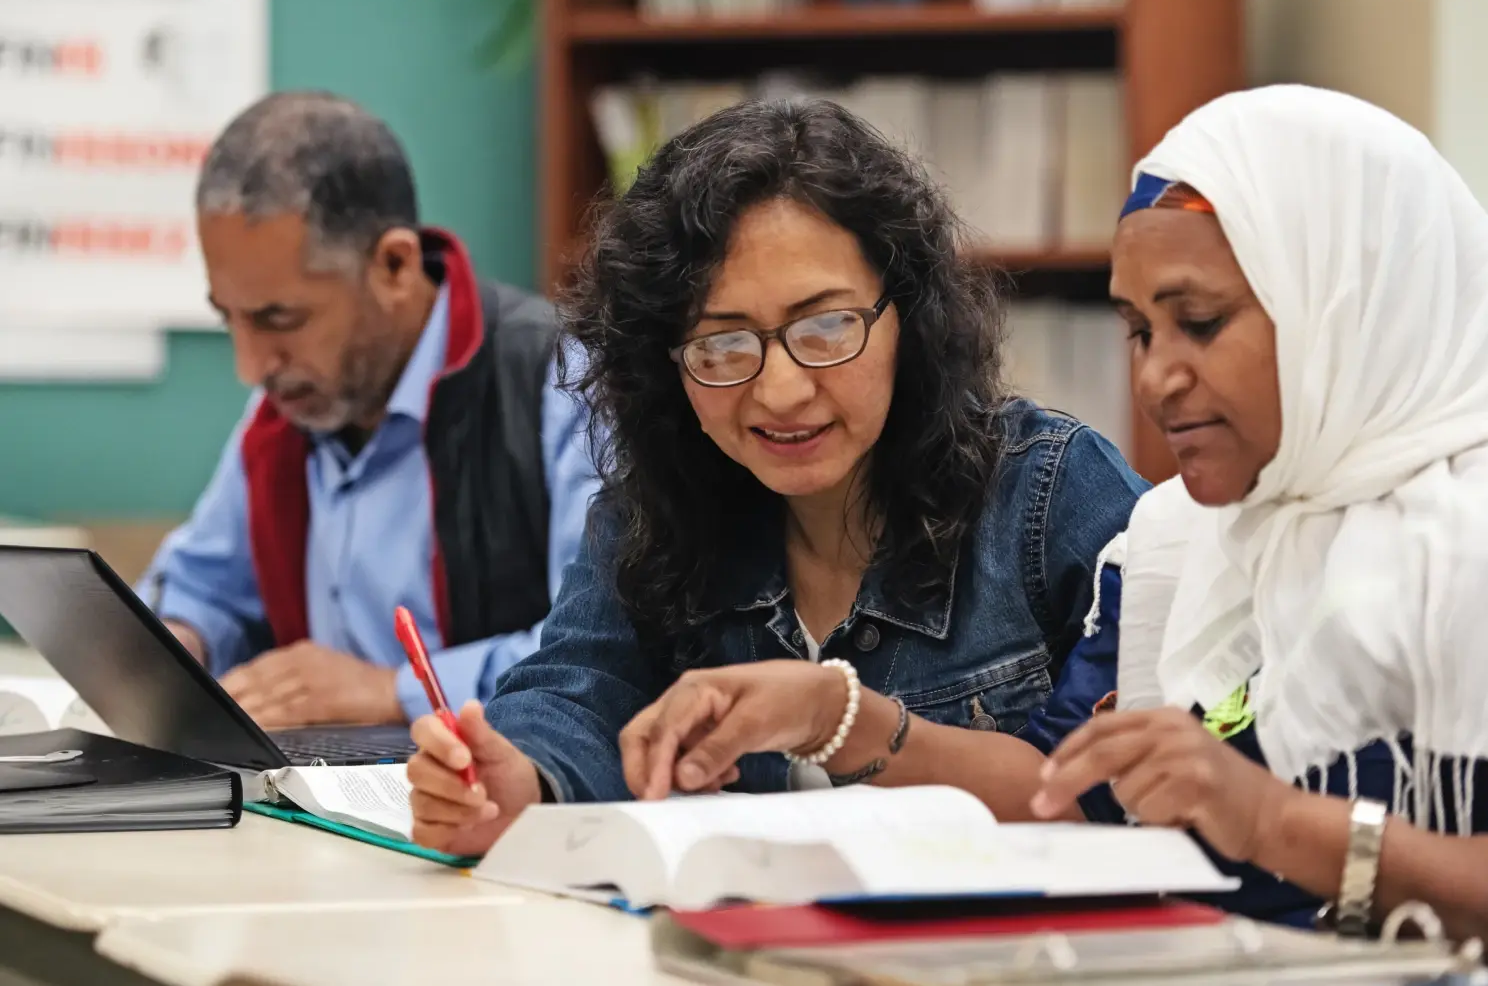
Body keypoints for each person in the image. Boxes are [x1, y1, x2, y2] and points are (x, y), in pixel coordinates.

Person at [404, 98, 1147, 855]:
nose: (782, 391)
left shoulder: (1052, 491)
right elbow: (578, 692)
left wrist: (840, 720)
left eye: (826, 327)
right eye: (722, 345)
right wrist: (517, 781)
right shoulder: (656, 508)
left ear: (909, 318)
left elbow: (1123, 796)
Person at [1024, 85, 1488, 971]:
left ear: (1342, 304)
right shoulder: (1183, 531)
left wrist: (1278, 822)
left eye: (1198, 323)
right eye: (1137, 331)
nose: (1157, 378)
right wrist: (843, 715)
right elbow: (1071, 794)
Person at [139, 92, 600, 729]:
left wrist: (393, 691)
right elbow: (202, 588)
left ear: (394, 266)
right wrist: (179, 642)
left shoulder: (561, 384)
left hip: (499, 802)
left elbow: (597, 658)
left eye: (281, 318)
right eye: (231, 319)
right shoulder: (287, 407)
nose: (251, 365)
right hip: (312, 799)